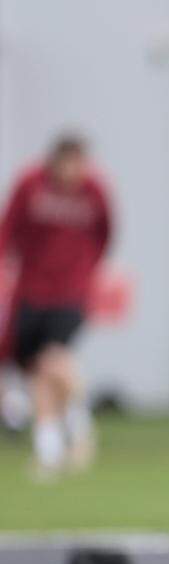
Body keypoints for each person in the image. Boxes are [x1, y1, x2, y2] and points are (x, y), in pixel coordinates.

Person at [0, 134, 113, 480]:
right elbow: (9, 228)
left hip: (71, 292)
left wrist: (86, 269)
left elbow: (105, 233)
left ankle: (80, 427)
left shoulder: (94, 191)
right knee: (38, 371)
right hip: (32, 291)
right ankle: (49, 451)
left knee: (54, 359)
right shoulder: (31, 185)